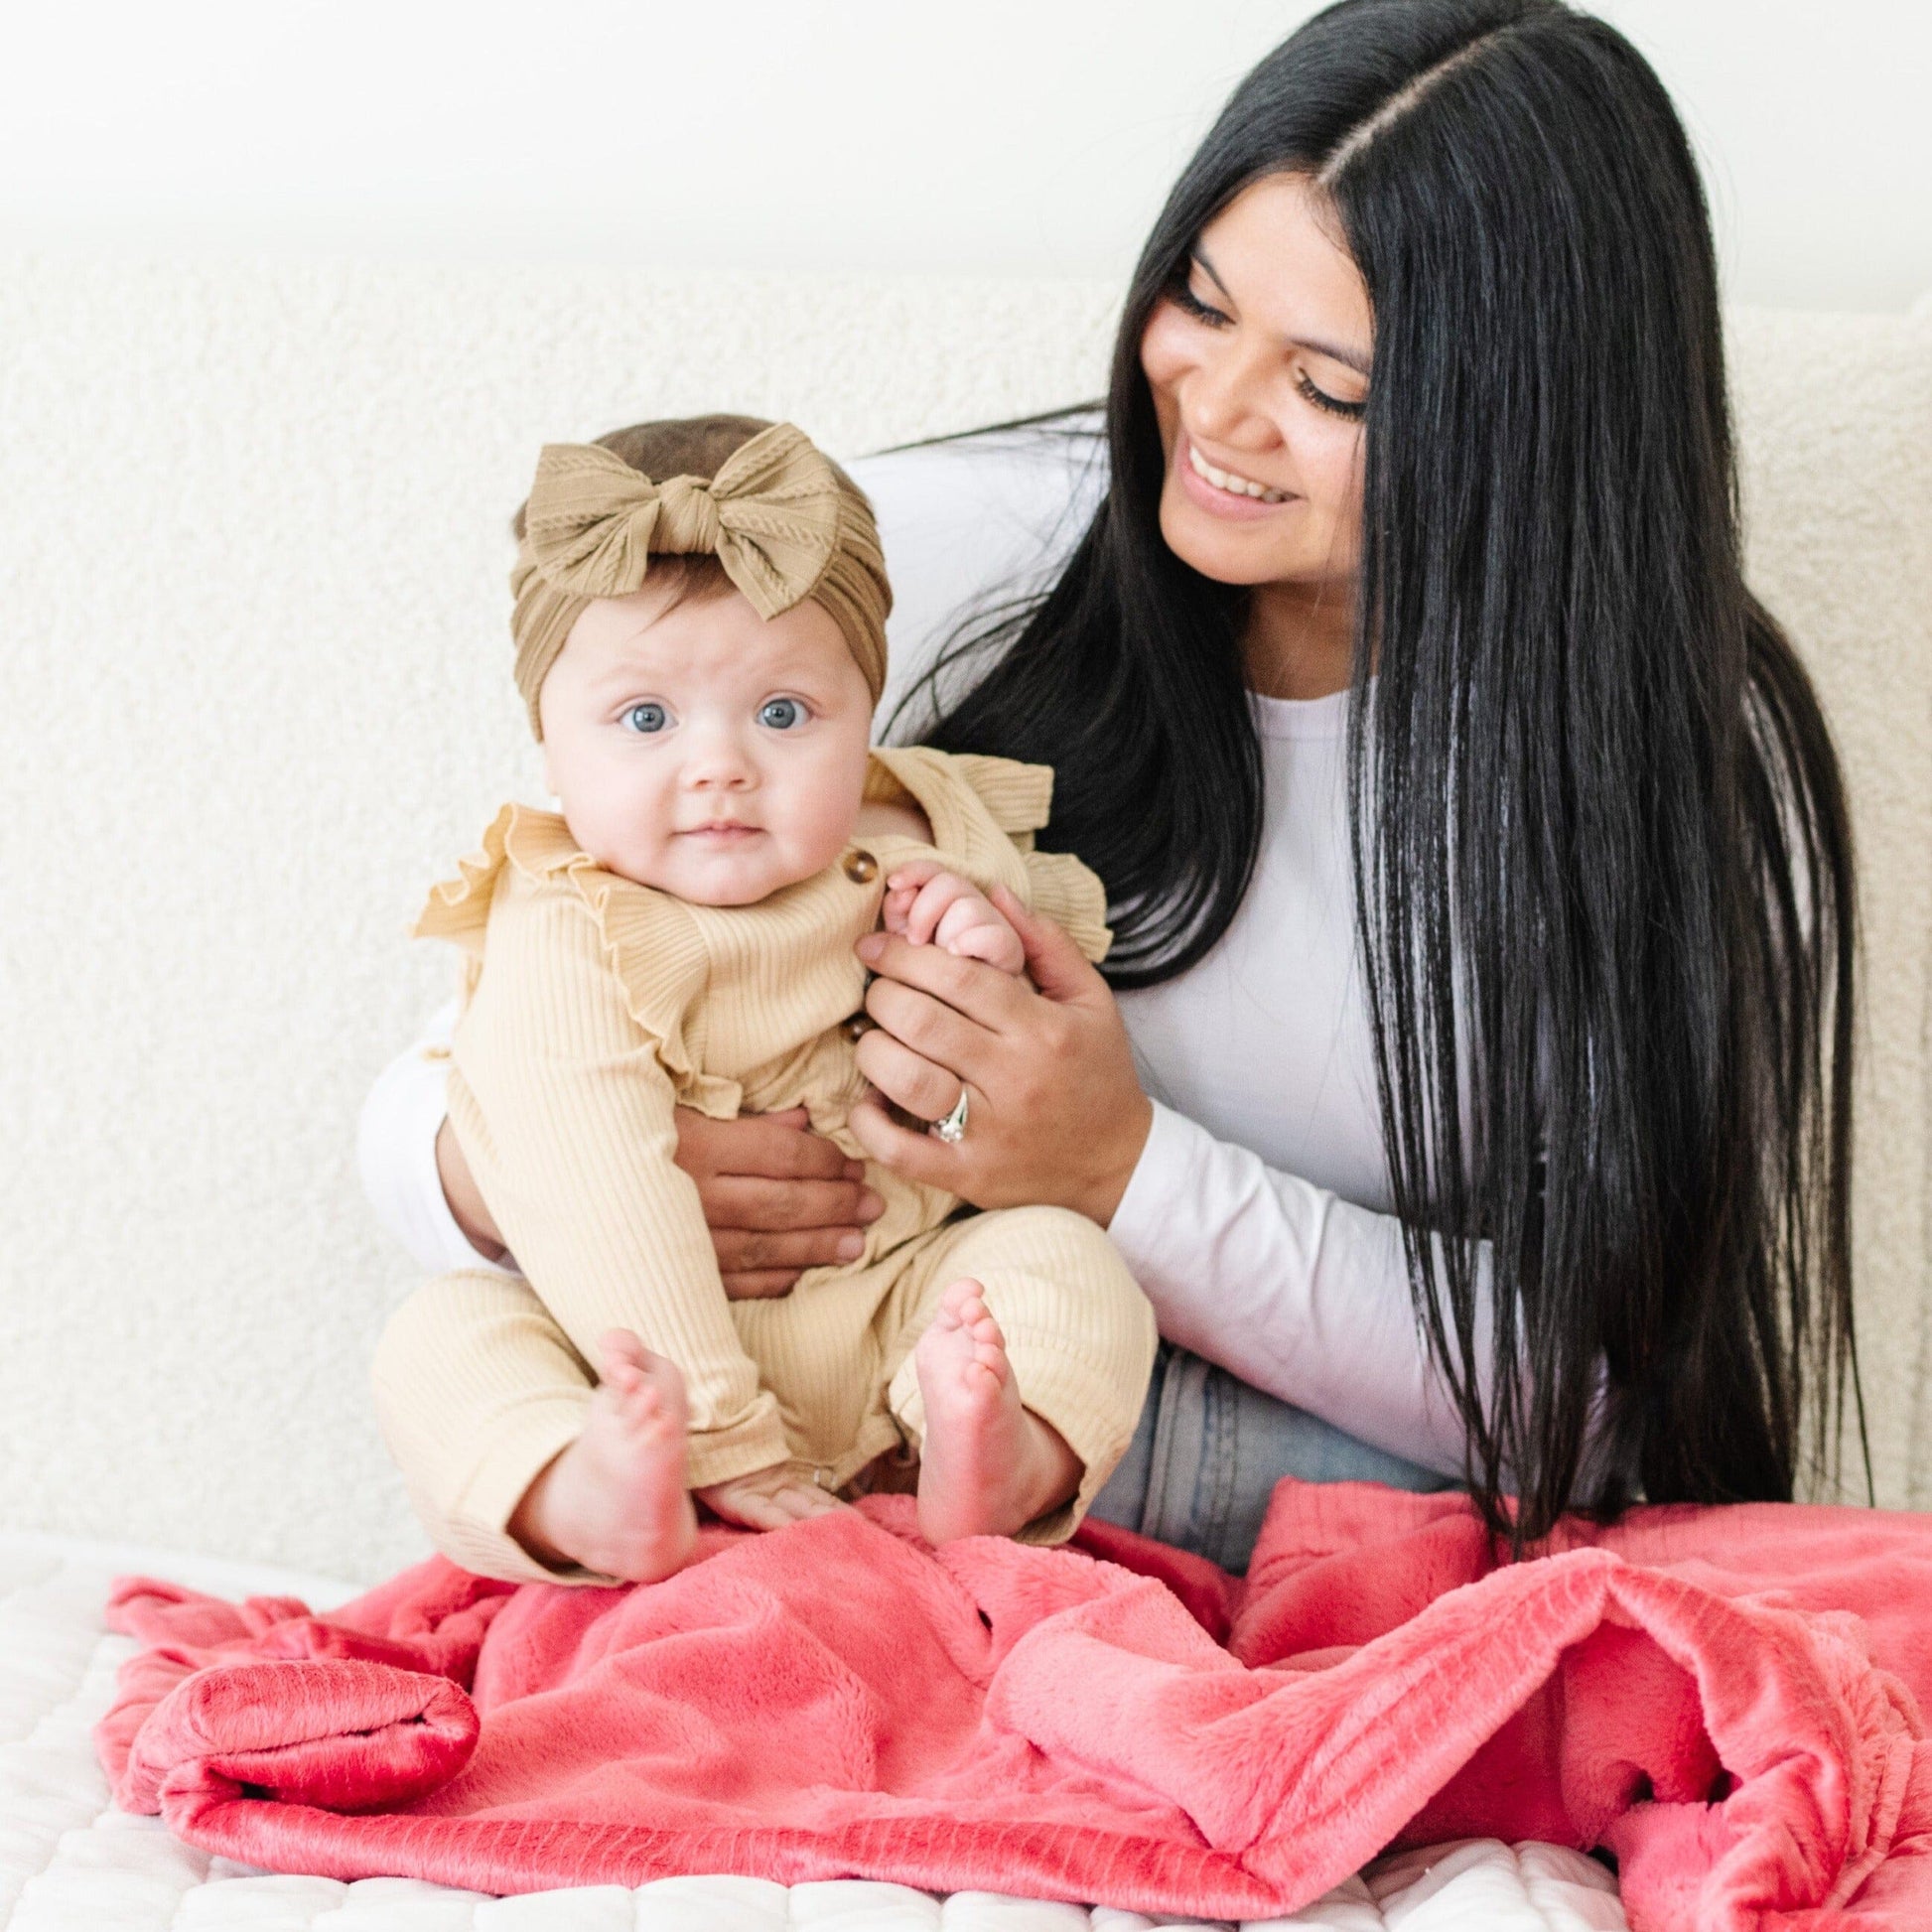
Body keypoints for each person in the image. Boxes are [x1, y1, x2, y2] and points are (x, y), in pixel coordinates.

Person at [362, 0, 1859, 1572]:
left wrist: (1121, 1171)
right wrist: (526, 1170)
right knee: (456, 1338)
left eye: (1327, 385)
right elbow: (432, 1081)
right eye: (1196, 305)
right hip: (731, 1384)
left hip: (1160, 1441)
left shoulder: (1663, 757)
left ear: (1525, 418)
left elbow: (1588, 1397)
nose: (1209, 411)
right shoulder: (927, 565)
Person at [373, 415, 1155, 1586]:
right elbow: (586, 1179)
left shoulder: (922, 844)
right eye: (646, 719)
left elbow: (990, 1110)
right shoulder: (561, 921)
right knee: (443, 1339)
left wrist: (979, 958)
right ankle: (589, 1492)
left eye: (783, 714)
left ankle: (984, 1455)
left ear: (862, 715)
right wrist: (714, 1432)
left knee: (1061, 1263)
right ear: (549, 744)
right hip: (631, 1364)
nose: (720, 765)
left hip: (892, 1305)